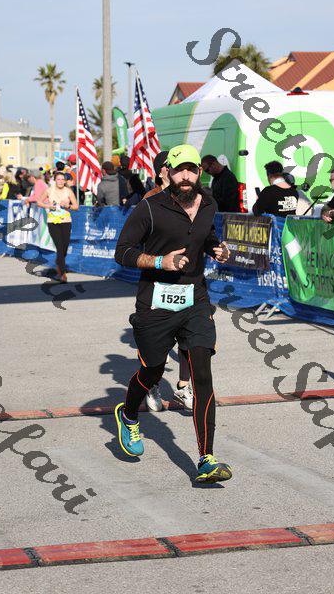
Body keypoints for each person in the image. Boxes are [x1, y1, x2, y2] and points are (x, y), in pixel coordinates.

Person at [114, 143, 233, 483]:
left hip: (195, 299)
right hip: (156, 302)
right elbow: (122, 252)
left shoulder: (208, 203)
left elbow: (206, 236)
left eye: (191, 170)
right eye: (179, 170)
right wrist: (159, 261)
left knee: (202, 374)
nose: (185, 176)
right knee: (152, 370)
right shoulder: (149, 208)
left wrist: (216, 248)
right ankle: (128, 413)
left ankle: (206, 458)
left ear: (199, 172)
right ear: (168, 171)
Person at [143, 150, 194, 412]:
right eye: (169, 166)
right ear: (162, 171)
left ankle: (183, 386)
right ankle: (151, 384)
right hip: (159, 280)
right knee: (159, 341)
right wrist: (160, 259)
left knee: (188, 336)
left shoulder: (190, 196)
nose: (176, 170)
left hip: (187, 278)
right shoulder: (151, 198)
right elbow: (137, 242)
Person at [36, 171, 79, 282]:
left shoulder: (68, 191)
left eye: (62, 179)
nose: (60, 181)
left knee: (64, 248)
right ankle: (62, 274)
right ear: (55, 180)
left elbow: (76, 206)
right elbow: (39, 202)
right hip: (53, 222)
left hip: (66, 222)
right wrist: (48, 206)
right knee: (59, 247)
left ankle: (59, 263)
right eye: (58, 179)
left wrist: (68, 206)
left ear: (65, 181)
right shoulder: (49, 190)